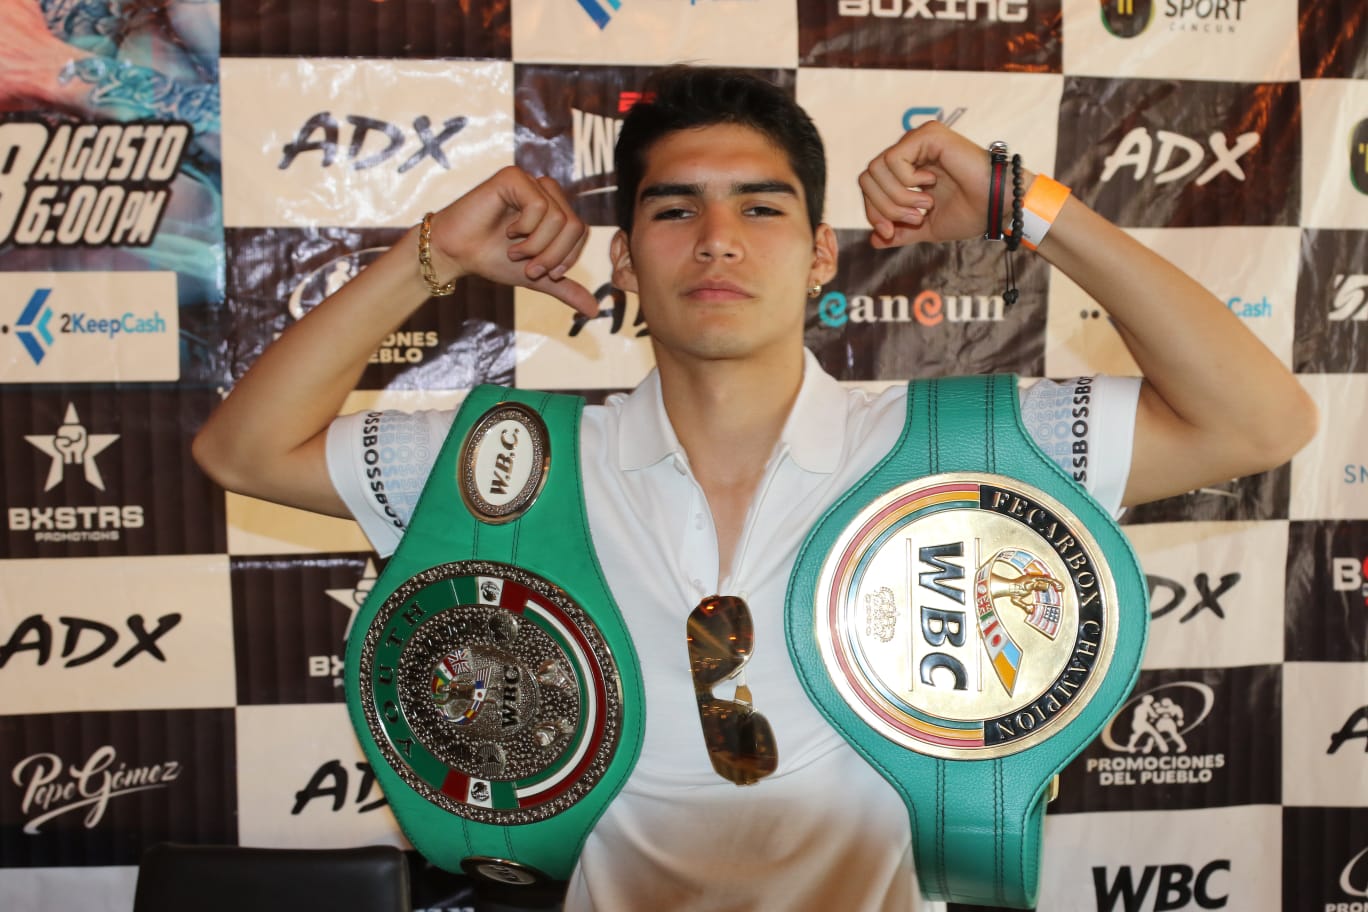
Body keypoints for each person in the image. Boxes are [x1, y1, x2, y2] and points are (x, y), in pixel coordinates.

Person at [193, 66, 1316, 911]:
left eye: (762, 208)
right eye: (674, 210)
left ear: (823, 255)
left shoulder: (966, 445)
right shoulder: (518, 463)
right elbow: (243, 454)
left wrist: (1032, 209)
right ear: (625, 261)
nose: (718, 239)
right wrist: (427, 256)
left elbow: (1262, 420)